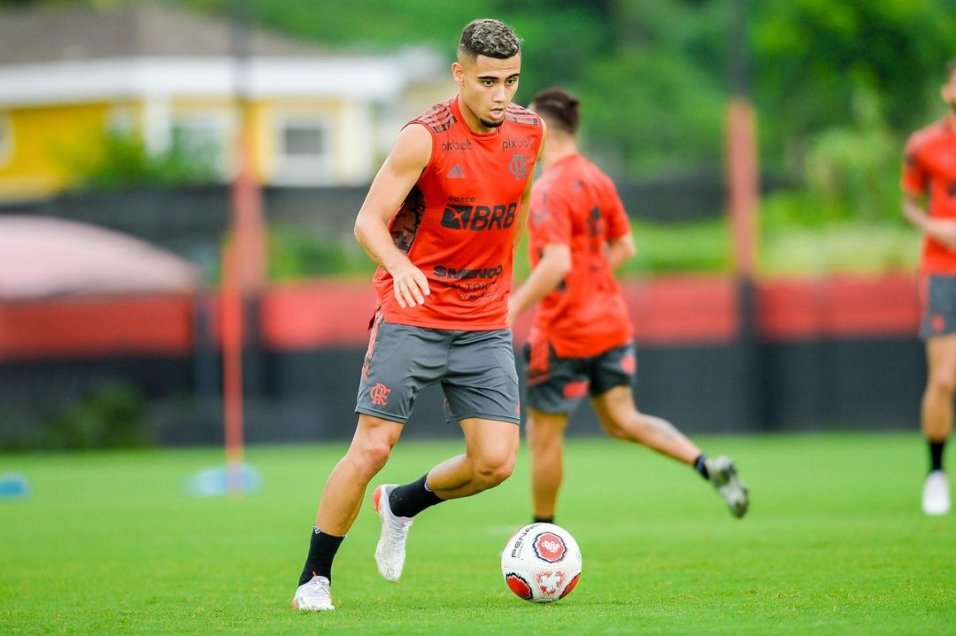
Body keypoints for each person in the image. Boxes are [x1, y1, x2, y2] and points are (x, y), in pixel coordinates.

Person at [291, 18, 544, 611]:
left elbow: (520, 200)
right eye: (488, 81)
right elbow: (367, 221)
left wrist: (515, 277)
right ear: (460, 75)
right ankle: (314, 578)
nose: (502, 95)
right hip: (413, 313)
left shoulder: (530, 133)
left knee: (497, 463)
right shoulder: (422, 137)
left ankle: (401, 504)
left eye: (511, 81)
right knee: (372, 449)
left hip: (483, 321)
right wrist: (400, 268)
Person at [508, 87, 749, 525]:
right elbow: (624, 247)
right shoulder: (598, 179)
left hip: (562, 331)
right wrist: (590, 280)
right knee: (622, 419)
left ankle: (543, 536)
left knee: (544, 438)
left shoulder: (547, 190)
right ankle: (704, 463)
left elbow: (557, 263)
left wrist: (512, 307)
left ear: (543, 130)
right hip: (610, 322)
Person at [901, 59, 956, 516]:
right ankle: (936, 474)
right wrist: (937, 228)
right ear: (946, 90)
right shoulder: (924, 145)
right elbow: (908, 204)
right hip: (942, 270)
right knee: (945, 376)